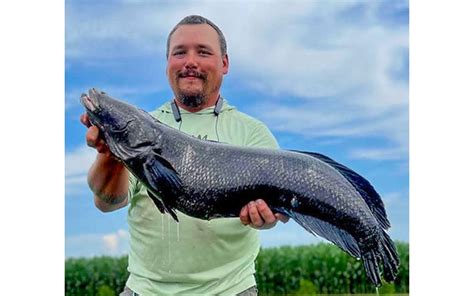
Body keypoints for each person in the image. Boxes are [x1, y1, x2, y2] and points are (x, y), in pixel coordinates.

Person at [80, 15, 288, 295]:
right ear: (168, 64)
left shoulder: (253, 135)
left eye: (203, 51)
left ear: (224, 64)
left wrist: (270, 217)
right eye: (180, 52)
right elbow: (107, 202)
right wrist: (111, 152)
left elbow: (277, 209)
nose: (190, 61)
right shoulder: (143, 128)